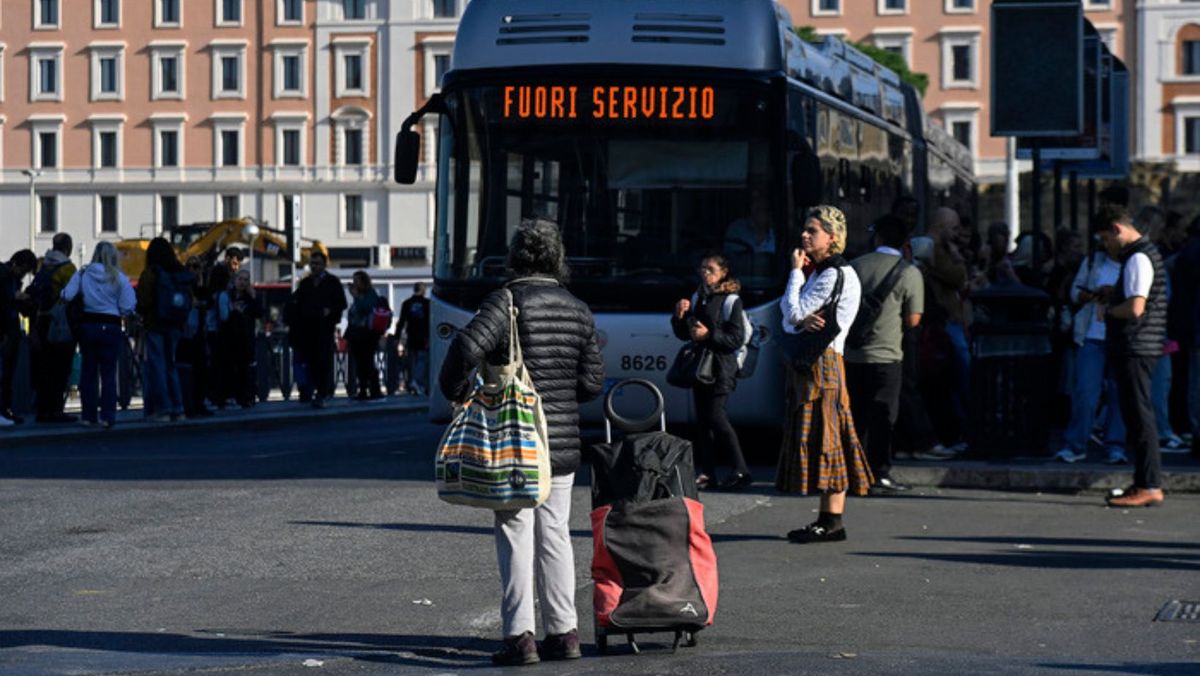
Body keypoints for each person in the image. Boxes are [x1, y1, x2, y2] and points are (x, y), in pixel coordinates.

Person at [439, 218, 605, 666]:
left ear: (515, 257)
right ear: (557, 259)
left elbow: (465, 348)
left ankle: (519, 637)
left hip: (514, 439)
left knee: (515, 531)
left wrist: (454, 389)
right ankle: (565, 634)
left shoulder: (505, 301)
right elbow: (591, 384)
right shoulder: (576, 307)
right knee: (556, 535)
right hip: (561, 443)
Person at [776, 205, 870, 543]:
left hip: (824, 362)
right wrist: (797, 317)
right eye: (804, 228)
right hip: (820, 361)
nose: (804, 235)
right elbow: (791, 319)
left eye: (812, 230)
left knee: (830, 437)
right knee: (826, 436)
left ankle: (831, 521)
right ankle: (828, 518)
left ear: (831, 238)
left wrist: (795, 274)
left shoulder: (832, 274)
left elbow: (793, 311)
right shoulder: (822, 272)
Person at [1093, 205, 1169, 508]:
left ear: (1116, 229)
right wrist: (1115, 291)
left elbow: (1136, 307)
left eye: (1105, 239)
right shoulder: (1143, 255)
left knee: (1139, 417)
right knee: (1137, 415)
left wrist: (1109, 311)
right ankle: (1143, 482)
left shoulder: (1138, 257)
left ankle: (1149, 485)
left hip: (1137, 345)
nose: (1106, 247)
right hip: (1144, 345)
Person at [845, 214, 923, 494]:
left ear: (876, 238)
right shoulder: (909, 272)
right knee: (883, 416)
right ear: (905, 243)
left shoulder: (854, 267)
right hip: (888, 355)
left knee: (856, 416)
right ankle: (879, 472)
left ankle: (854, 472)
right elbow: (913, 319)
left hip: (852, 353)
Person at [671, 253, 751, 491]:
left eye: (711, 269)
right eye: (703, 268)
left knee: (717, 417)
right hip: (700, 367)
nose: (705, 273)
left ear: (723, 272)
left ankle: (740, 469)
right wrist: (679, 317)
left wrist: (709, 335)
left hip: (721, 367)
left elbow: (735, 338)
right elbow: (686, 334)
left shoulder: (730, 301)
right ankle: (708, 472)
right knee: (703, 422)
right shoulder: (699, 296)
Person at [1054, 238, 1127, 464]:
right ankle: (1076, 443)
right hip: (1092, 334)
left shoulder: (1133, 263)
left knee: (1118, 394)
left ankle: (1115, 445)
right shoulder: (1094, 261)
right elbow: (1075, 293)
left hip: (1119, 335)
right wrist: (1089, 294)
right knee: (1085, 391)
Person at [61, 242, 136, 429]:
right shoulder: (119, 277)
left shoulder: (83, 274)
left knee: (88, 373)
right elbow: (128, 305)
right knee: (109, 374)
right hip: (111, 326)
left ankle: (89, 415)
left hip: (88, 325)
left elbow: (66, 295)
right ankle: (108, 417)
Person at [922, 207, 971, 455]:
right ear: (941, 227)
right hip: (944, 321)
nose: (957, 234)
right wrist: (955, 255)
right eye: (953, 228)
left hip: (947, 319)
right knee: (959, 371)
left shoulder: (934, 247)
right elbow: (959, 277)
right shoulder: (937, 249)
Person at [137, 237, 190, 422]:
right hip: (175, 324)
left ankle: (163, 409)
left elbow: (142, 300)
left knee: (157, 366)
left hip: (155, 324)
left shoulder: (151, 273)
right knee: (171, 365)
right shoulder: (179, 272)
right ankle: (179, 407)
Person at [27, 233, 78, 423]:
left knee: (43, 369)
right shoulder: (68, 269)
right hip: (60, 323)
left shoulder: (43, 266)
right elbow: (75, 296)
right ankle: (56, 410)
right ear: (68, 248)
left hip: (41, 323)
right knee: (60, 368)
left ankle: (43, 410)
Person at [291, 252, 346, 408]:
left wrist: (330, 312)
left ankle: (322, 392)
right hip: (308, 329)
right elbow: (298, 303)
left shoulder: (332, 282)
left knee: (323, 360)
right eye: (312, 263)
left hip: (325, 328)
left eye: (317, 263)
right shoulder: (306, 283)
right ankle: (313, 390)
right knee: (311, 361)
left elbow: (341, 304)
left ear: (324, 265)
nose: (314, 266)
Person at [0, 250, 38, 427]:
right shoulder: (4, 274)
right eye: (24, 270)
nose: (24, 274)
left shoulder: (11, 277)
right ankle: (3, 411)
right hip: (5, 330)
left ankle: (5, 410)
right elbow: (6, 300)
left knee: (8, 374)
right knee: (4, 373)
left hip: (11, 330)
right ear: (17, 264)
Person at [218, 269, 262, 408]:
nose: (242, 282)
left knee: (245, 369)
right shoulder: (228, 296)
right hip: (229, 338)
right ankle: (229, 396)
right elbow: (224, 317)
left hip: (246, 338)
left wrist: (254, 298)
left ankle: (245, 397)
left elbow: (259, 313)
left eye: (245, 280)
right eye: (240, 279)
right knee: (230, 368)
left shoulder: (250, 297)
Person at [178, 257, 214, 418]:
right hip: (186, 335)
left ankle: (198, 403)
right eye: (191, 266)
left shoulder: (201, 287)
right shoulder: (183, 286)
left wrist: (200, 285)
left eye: (198, 267)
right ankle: (189, 405)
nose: (195, 270)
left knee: (201, 370)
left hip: (199, 334)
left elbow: (208, 301)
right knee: (188, 372)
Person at [346, 270, 384, 400]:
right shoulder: (358, 296)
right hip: (356, 334)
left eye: (357, 281)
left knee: (367, 363)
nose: (355, 284)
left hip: (367, 335)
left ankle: (375, 389)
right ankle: (362, 389)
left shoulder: (370, 295)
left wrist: (356, 297)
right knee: (360, 363)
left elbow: (366, 308)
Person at [395, 282, 431, 396]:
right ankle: (417, 382)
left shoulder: (406, 303)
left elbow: (401, 322)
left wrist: (397, 337)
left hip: (411, 335)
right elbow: (430, 322)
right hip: (424, 336)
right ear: (424, 291)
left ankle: (414, 382)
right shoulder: (427, 304)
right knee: (423, 360)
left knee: (412, 360)